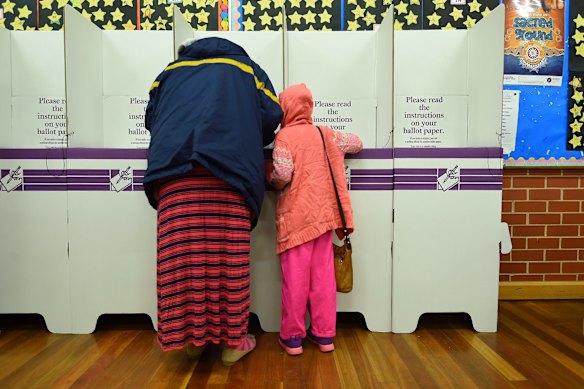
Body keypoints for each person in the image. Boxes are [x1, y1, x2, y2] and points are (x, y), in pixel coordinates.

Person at [143, 37, 282, 366]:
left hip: (175, 176)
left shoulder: (169, 72)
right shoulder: (246, 69)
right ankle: (233, 342)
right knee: (229, 261)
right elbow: (271, 115)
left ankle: (193, 339)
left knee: (183, 262)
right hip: (228, 173)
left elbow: (151, 116)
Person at [266, 83, 362, 355]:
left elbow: (283, 174)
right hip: (324, 220)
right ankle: (324, 336)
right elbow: (357, 143)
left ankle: (293, 339)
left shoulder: (285, 137)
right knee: (323, 280)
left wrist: (270, 179)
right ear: (308, 107)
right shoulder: (326, 133)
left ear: (285, 108)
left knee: (295, 281)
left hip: (296, 221)